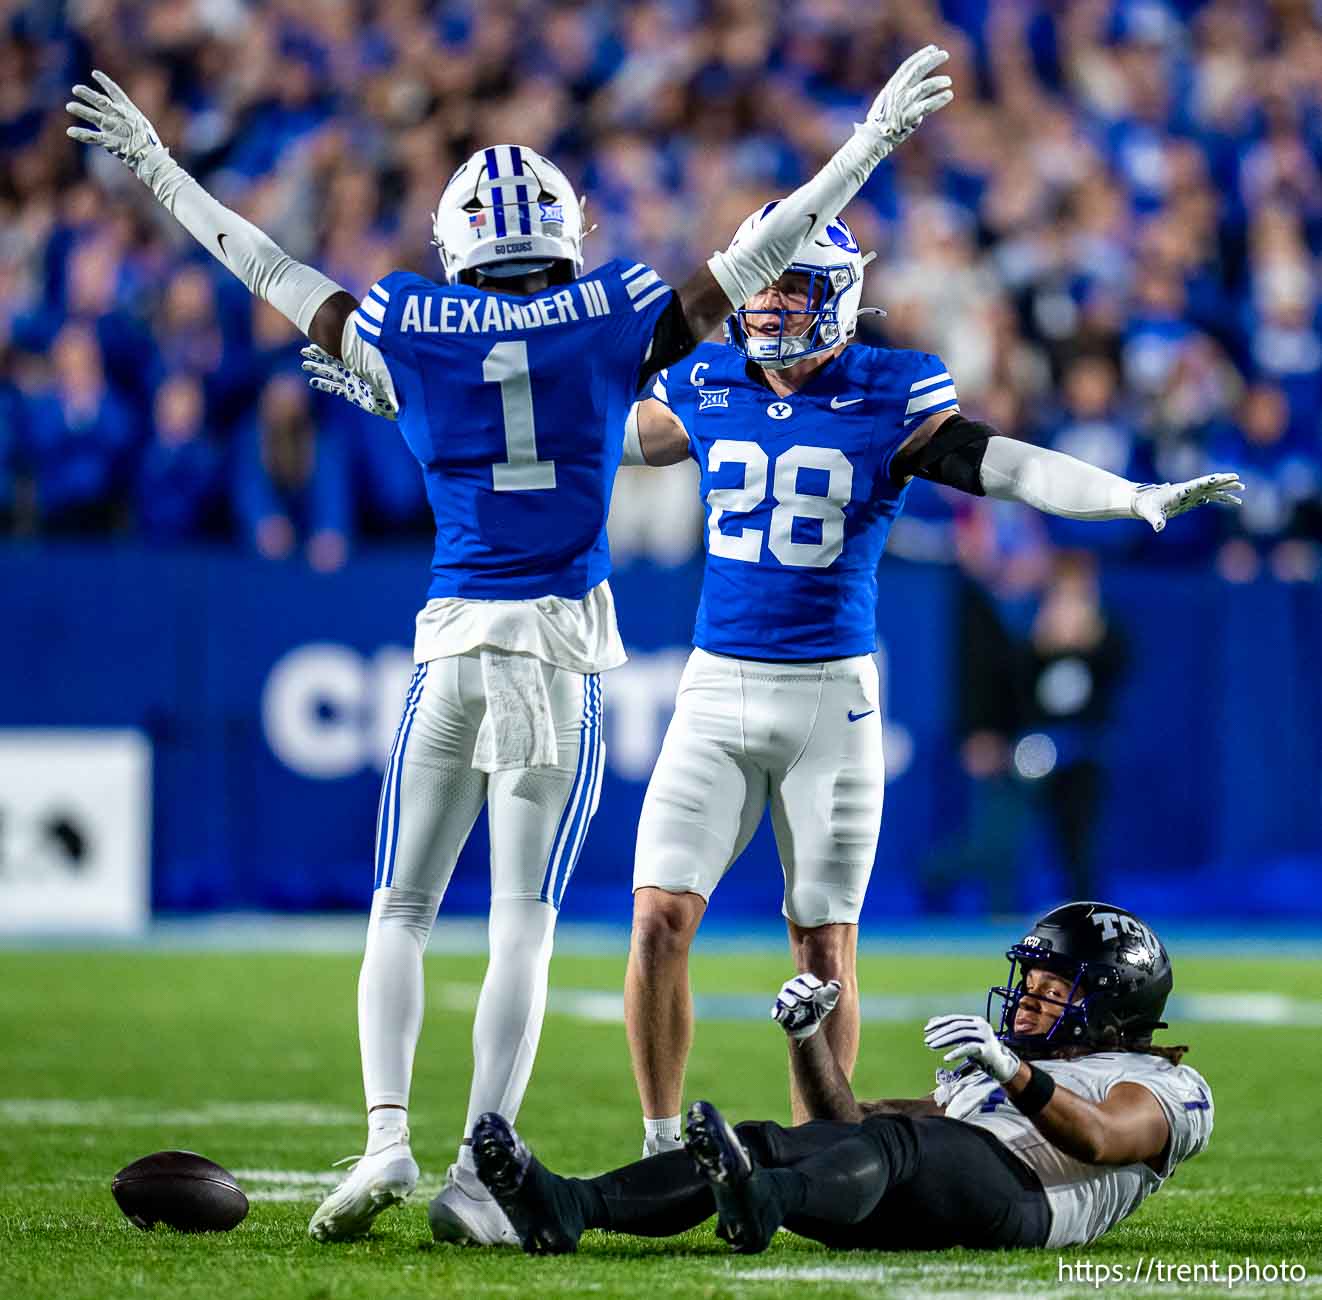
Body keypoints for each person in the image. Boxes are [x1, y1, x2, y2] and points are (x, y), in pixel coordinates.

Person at [66, 46, 957, 1246]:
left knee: (399, 908)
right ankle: (481, 1164)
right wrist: (865, 145)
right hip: (558, 650)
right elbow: (756, 252)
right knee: (520, 923)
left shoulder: (410, 325)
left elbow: (265, 262)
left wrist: (162, 170)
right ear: (560, 230)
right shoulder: (610, 315)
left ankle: (385, 1133)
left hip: (450, 642)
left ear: (454, 237)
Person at [613, 210, 1243, 1152]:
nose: (772, 305)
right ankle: (659, 1144)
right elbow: (581, 442)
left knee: (822, 949)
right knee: (659, 918)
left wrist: (1127, 497)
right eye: (764, 286)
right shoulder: (705, 379)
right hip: (716, 686)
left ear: (838, 300)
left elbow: (1008, 465)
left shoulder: (890, 387)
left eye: (795, 288)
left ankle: (818, 1153)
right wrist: (423, 401)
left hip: (832, 697)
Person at [471, 902, 1213, 1256]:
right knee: (765, 1138)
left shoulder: (1158, 1084)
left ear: (1113, 1008)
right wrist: (808, 1040)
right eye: (1030, 983)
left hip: (1026, 1207)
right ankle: (570, 1205)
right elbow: (846, 1123)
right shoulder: (996, 1076)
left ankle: (763, 1204)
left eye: (1054, 991)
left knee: (903, 1143)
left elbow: (1105, 1137)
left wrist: (1012, 1070)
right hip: (935, 1186)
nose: (1025, 1000)